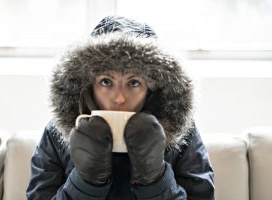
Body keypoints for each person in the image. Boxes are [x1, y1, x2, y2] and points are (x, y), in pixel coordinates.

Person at [26, 16, 215, 200]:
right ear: (89, 85)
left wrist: (155, 178)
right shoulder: (57, 133)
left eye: (133, 82)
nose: (119, 97)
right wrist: (86, 181)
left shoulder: (183, 132)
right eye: (106, 81)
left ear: (151, 89)